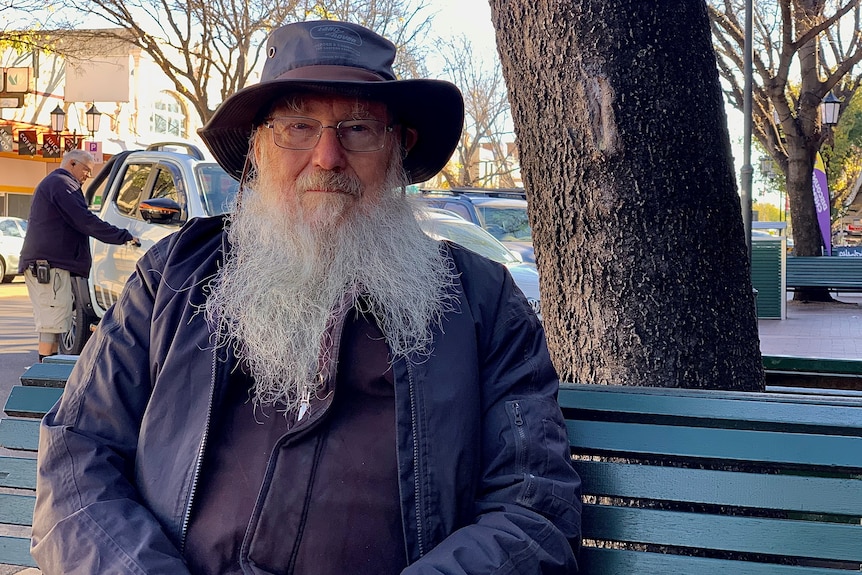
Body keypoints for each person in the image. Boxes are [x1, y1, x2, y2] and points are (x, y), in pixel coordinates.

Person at [32, 20, 581, 574]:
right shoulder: (172, 276)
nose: (326, 156)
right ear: (259, 145)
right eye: (298, 125)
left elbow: (533, 512)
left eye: (358, 128)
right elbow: (78, 455)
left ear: (398, 148)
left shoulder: (482, 303)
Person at [18, 149, 139, 361]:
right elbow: (84, 220)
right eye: (86, 170)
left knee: (54, 322)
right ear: (72, 164)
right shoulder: (62, 184)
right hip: (49, 268)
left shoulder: (58, 184)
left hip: (49, 266)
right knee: (52, 324)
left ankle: (47, 371)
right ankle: (45, 377)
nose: (87, 176)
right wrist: (122, 236)